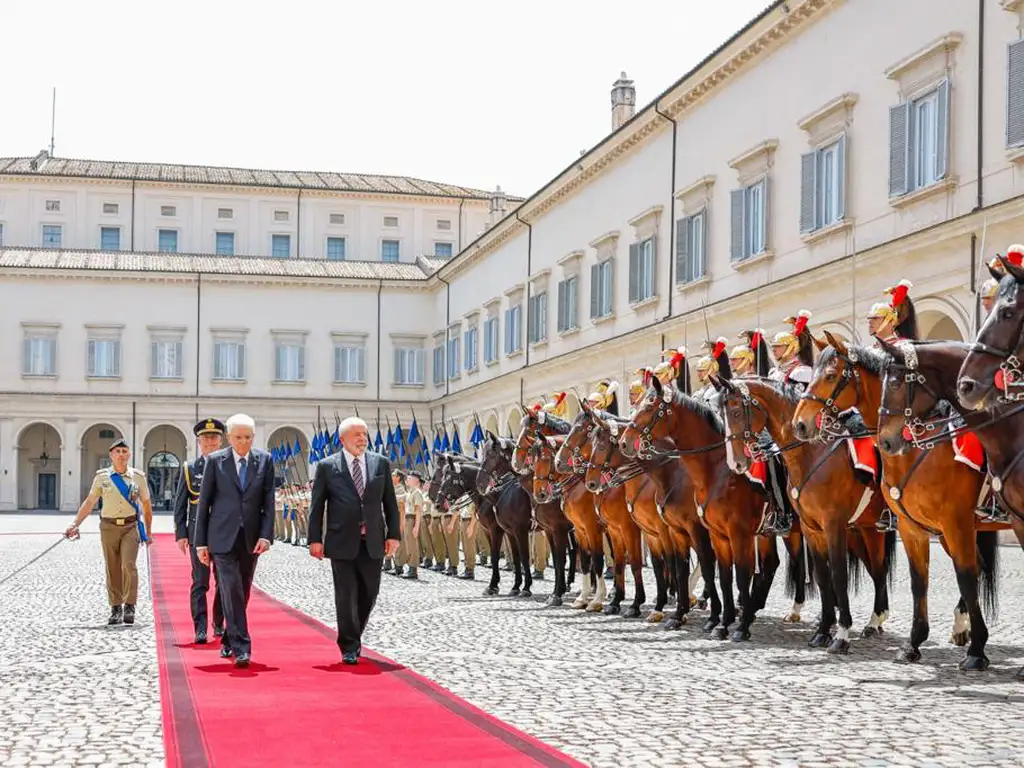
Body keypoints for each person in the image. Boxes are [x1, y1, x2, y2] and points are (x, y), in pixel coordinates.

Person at [307, 416, 401, 665]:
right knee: (346, 594)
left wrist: (393, 534)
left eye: (364, 433)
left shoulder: (380, 463)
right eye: (356, 434)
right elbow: (317, 506)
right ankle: (349, 645)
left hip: (373, 540)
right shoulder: (328, 466)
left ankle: (354, 633)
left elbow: (389, 503)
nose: (362, 438)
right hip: (341, 541)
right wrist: (314, 539)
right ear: (342, 440)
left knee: (370, 592)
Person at [195, 413, 275, 668]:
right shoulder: (216, 461)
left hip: (251, 538)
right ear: (228, 437)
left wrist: (266, 535)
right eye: (238, 437)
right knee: (229, 587)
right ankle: (242, 646)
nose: (243, 442)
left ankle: (229, 638)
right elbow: (204, 503)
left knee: (244, 589)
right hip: (221, 537)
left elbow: (268, 502)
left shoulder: (265, 460)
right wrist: (201, 543)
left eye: (248, 437)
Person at [65, 438, 153, 626]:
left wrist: (149, 532)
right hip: (108, 527)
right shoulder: (102, 477)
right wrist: (75, 524)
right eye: (117, 451)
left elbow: (146, 504)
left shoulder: (138, 477)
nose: (121, 454)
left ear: (129, 454)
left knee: (128, 565)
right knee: (112, 567)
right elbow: (90, 502)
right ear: (111, 455)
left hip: (130, 526)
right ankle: (115, 607)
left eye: (124, 451)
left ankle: (130, 605)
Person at [173, 418, 226, 643]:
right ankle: (200, 627)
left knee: (224, 581)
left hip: (224, 532)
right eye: (206, 438)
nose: (210, 442)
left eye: (214, 438)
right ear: (199, 441)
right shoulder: (190, 469)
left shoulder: (229, 466)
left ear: (221, 440)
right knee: (200, 581)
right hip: (198, 533)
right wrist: (181, 534)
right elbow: (180, 504)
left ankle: (219, 622)